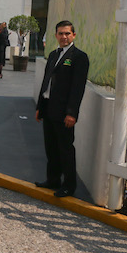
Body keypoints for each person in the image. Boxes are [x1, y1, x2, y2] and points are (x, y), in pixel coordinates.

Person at [35, 20, 89, 198]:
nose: (64, 37)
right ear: (55, 35)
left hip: (64, 112)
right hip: (49, 108)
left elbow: (77, 88)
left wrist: (72, 113)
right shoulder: (53, 55)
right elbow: (46, 83)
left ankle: (69, 186)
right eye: (60, 33)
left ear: (74, 35)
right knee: (51, 148)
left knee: (65, 150)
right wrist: (40, 107)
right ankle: (53, 180)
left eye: (67, 33)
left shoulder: (79, 57)